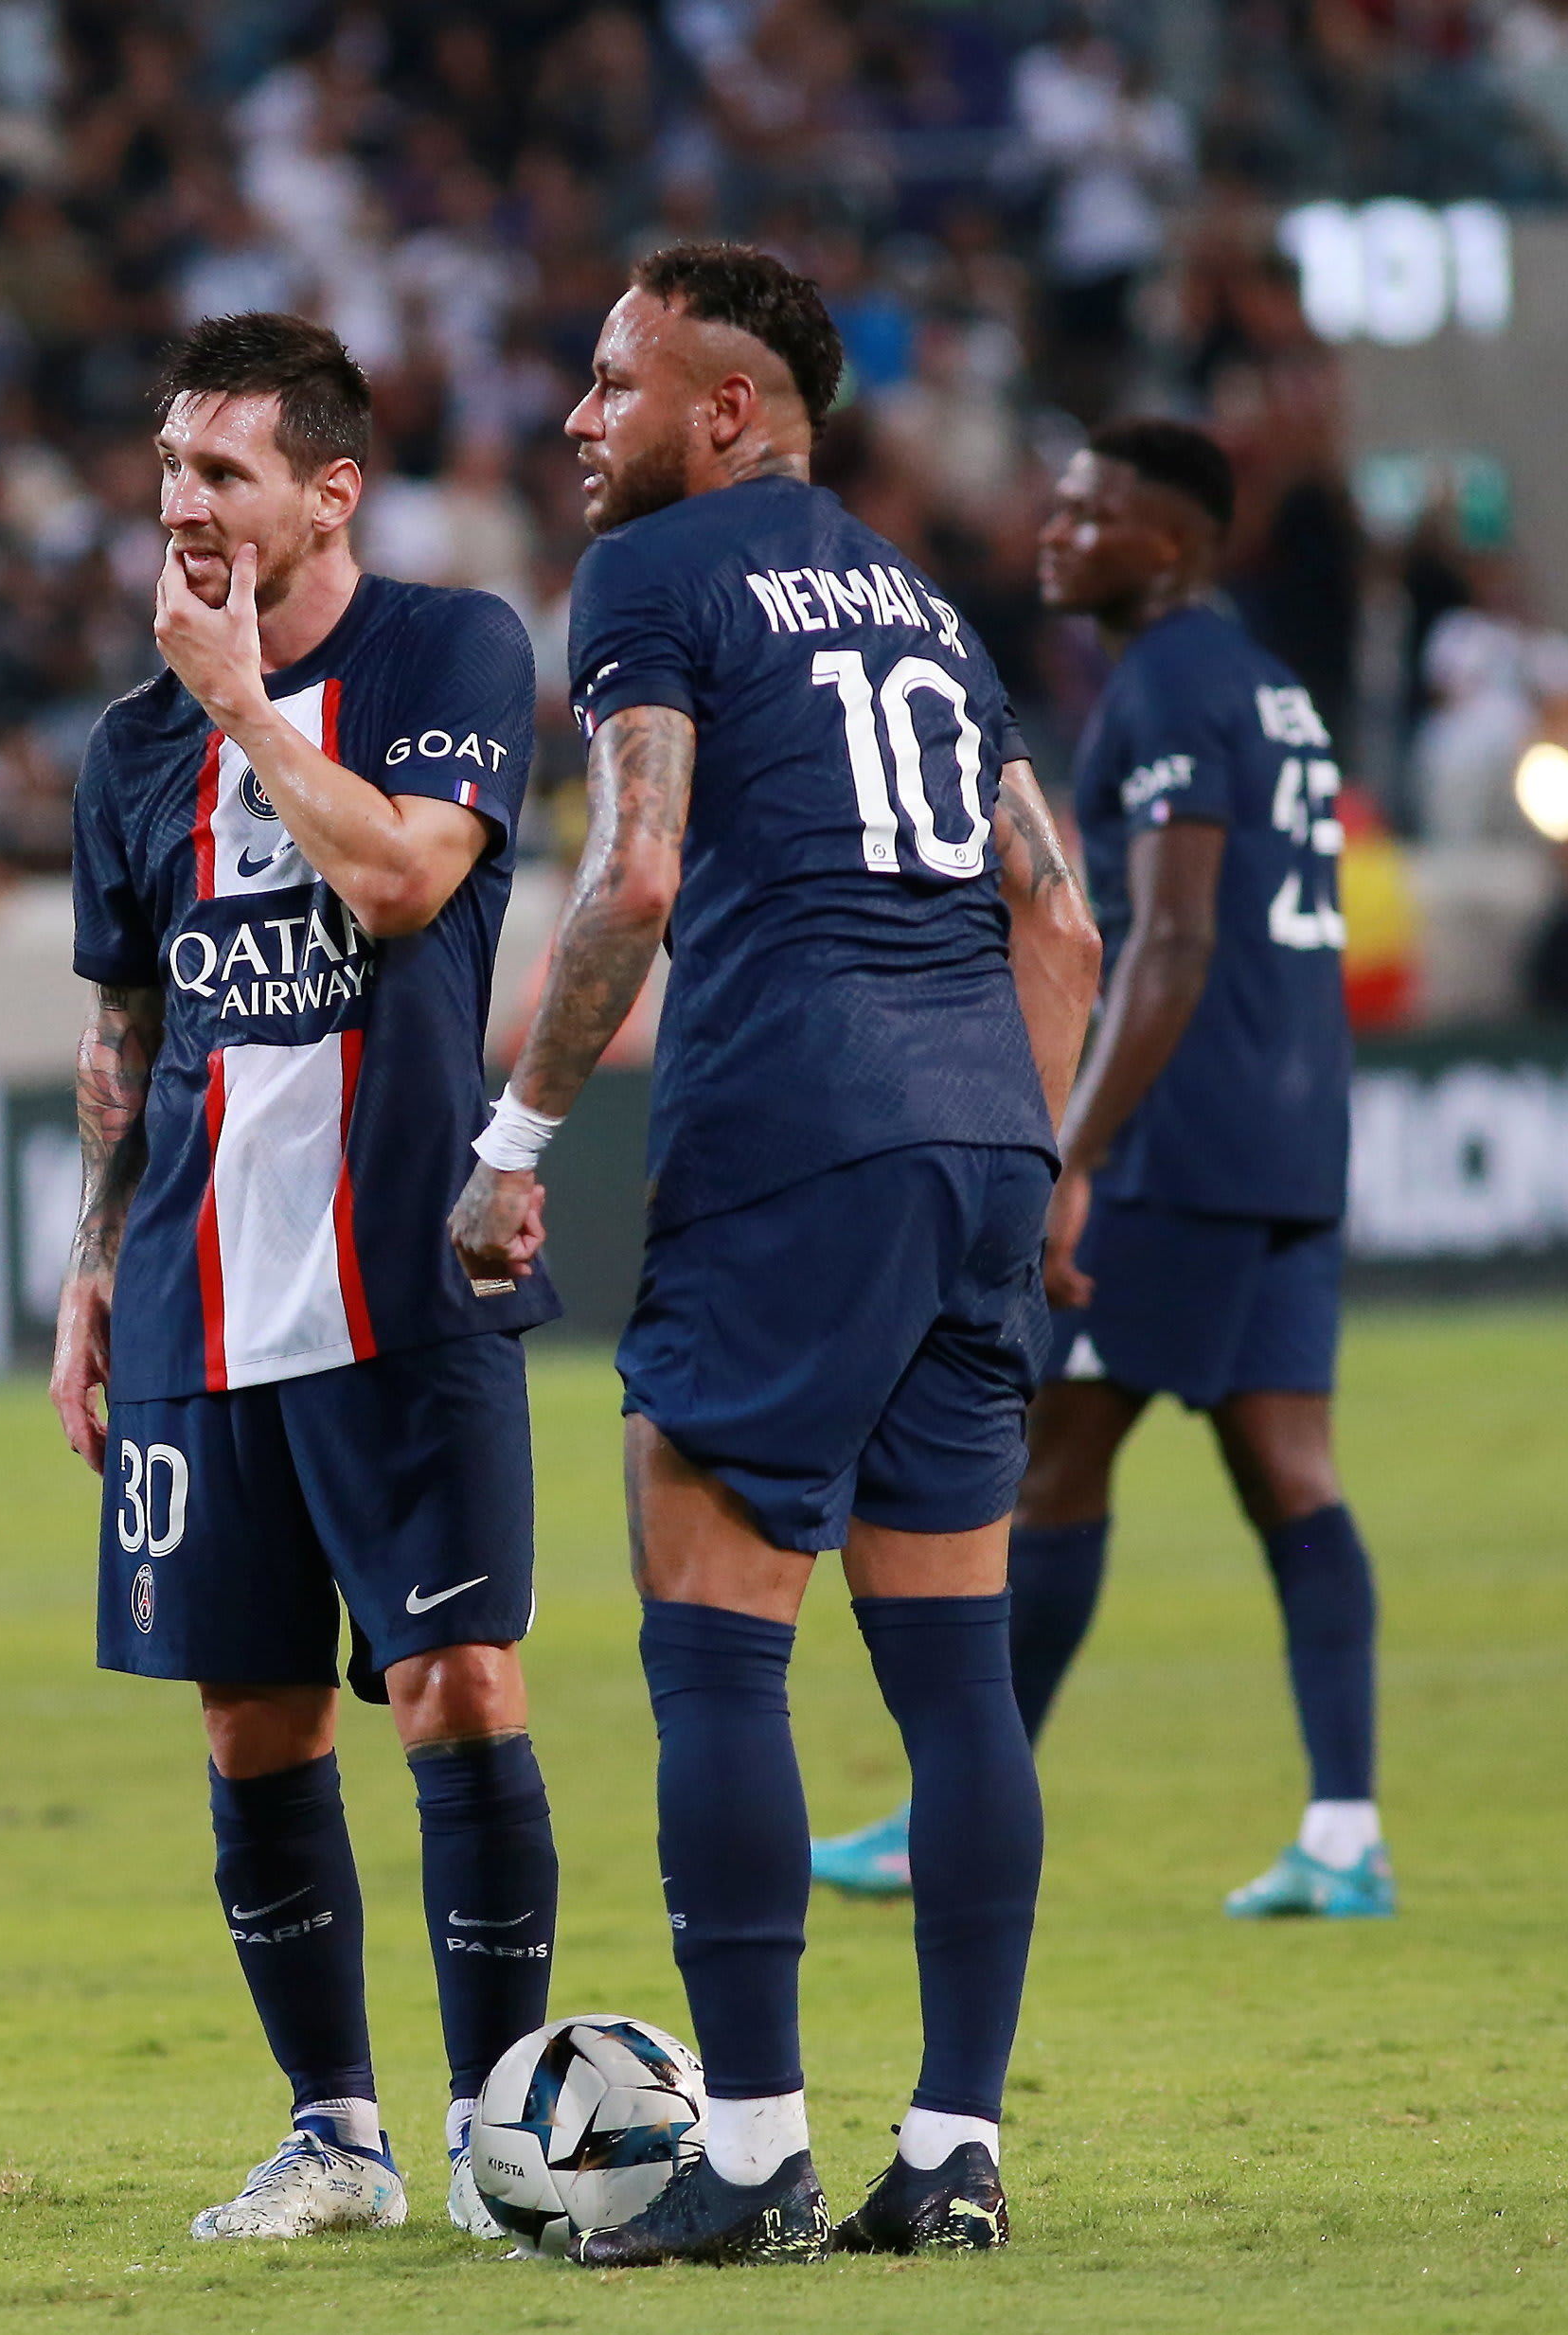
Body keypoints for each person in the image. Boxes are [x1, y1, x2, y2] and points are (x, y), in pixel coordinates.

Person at [451, 244, 1100, 2267]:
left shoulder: (652, 579)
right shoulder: (923, 601)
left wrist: (516, 1136)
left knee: (710, 1627)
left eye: (613, 379)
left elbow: (634, 869)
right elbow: (1055, 918)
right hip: (979, 1135)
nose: (577, 418)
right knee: (951, 1670)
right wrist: (1030, 1157)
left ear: (725, 411)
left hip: (791, 1130)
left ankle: (741, 2159)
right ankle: (955, 2150)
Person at [50, 313, 564, 2249]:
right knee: (250, 1721)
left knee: (453, 1685)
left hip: (401, 1272)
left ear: (326, 493)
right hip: (195, 1285)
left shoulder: (448, 651)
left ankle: (496, 2133)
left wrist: (248, 705)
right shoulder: (122, 747)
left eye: (224, 475)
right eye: (169, 472)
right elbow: (129, 1025)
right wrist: (87, 1267)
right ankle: (331, 2135)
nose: (183, 507)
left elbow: (407, 884)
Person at [810, 419, 1390, 1929]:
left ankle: (958, 1808)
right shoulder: (1262, 677)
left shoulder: (1172, 686)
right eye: (1057, 504)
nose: (1056, 529)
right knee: (1287, 1467)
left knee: (1055, 1449)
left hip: (1182, 1138)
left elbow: (1175, 939)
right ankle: (1345, 1827)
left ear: (1178, 543)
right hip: (1294, 1122)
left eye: (1094, 511)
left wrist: (1078, 1144)